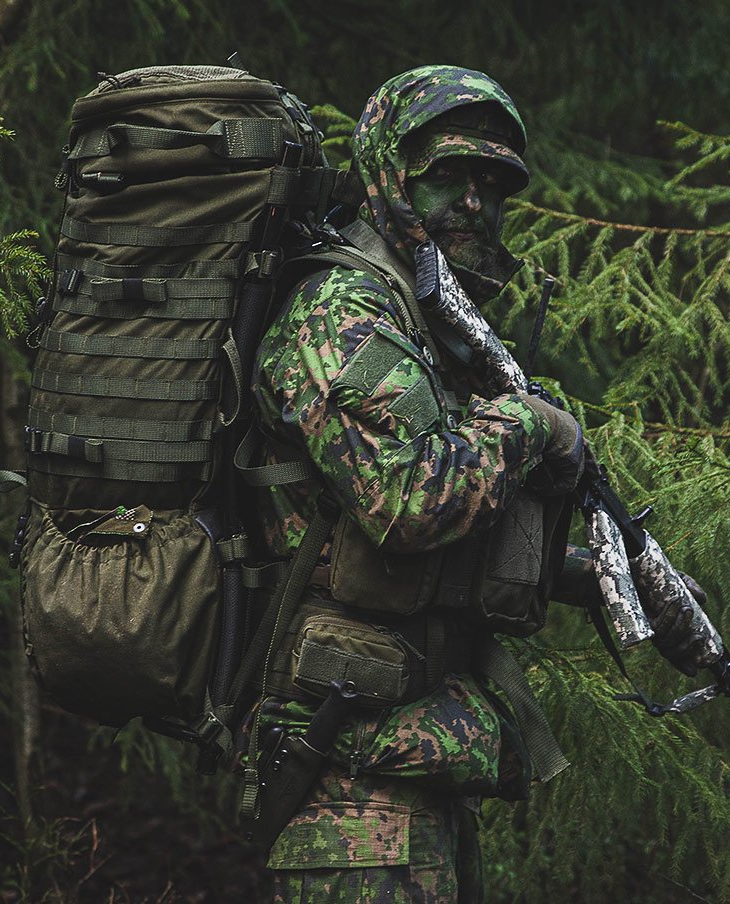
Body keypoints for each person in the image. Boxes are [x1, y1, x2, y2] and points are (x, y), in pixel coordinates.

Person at [243, 64, 597, 903]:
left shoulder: (424, 323)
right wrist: (530, 424)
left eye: (493, 181)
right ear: (391, 176)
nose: (475, 201)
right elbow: (409, 502)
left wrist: (595, 574)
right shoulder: (342, 309)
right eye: (448, 175)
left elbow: (433, 544)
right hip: (347, 780)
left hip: (410, 758)